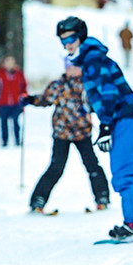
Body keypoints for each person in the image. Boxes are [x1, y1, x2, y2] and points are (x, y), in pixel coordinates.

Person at [58, 16, 133, 240]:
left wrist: (105, 125)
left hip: (124, 119)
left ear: (81, 37)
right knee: (132, 174)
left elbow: (109, 94)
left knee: (124, 175)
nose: (67, 44)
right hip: (130, 118)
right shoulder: (92, 59)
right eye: (63, 41)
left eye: (71, 39)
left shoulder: (94, 60)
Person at [23, 61, 111, 213]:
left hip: (82, 132)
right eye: (70, 67)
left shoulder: (88, 85)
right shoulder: (58, 85)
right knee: (56, 167)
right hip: (62, 132)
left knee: (92, 165)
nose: (73, 71)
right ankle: (38, 200)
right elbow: (45, 99)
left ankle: (102, 197)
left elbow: (97, 103)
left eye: (76, 67)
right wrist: (30, 99)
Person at [0, 55, 28, 147]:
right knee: (3, 122)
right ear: (4, 64)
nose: (9, 64)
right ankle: (4, 140)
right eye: (7, 62)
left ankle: (18, 139)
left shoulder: (19, 74)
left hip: (16, 102)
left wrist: (24, 97)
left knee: (15, 121)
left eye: (11, 62)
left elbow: (24, 87)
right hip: (3, 103)